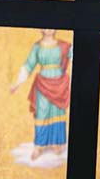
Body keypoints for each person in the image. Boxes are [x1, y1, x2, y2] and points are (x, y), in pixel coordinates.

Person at [10, 29, 72, 160]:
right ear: (41, 29)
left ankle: (57, 143)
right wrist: (17, 84)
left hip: (59, 83)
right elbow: (28, 66)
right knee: (42, 113)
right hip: (43, 83)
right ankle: (39, 146)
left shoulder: (64, 45)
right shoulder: (37, 47)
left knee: (57, 113)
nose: (49, 29)